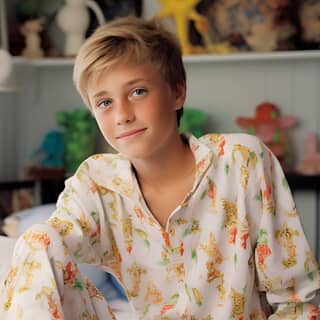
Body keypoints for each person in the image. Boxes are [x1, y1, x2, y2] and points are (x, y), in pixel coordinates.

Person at [1, 16, 319, 319]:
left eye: (137, 92)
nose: (122, 115)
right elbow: (45, 253)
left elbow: (297, 301)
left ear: (177, 92)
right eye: (104, 102)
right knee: (36, 240)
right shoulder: (95, 183)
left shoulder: (241, 161)